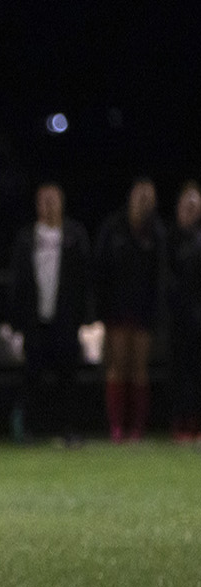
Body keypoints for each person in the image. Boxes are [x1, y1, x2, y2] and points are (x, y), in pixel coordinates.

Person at [10, 182, 94, 446]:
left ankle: (68, 429)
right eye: (43, 200)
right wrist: (16, 323)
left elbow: (85, 278)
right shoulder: (27, 237)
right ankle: (29, 430)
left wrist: (86, 318)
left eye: (53, 200)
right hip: (35, 319)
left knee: (67, 377)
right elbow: (18, 281)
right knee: (32, 376)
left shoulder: (74, 234)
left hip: (66, 319)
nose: (48, 205)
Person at [94, 178, 166, 441]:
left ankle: (137, 428)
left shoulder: (156, 232)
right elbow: (100, 269)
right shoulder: (113, 227)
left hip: (144, 312)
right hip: (116, 310)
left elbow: (160, 275)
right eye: (140, 195)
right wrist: (99, 311)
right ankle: (116, 427)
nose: (144, 200)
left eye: (149, 196)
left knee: (138, 368)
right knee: (117, 367)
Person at [167, 182, 201, 442]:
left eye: (195, 206)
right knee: (180, 372)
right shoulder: (169, 237)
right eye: (186, 205)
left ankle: (195, 423)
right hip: (177, 317)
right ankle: (180, 423)